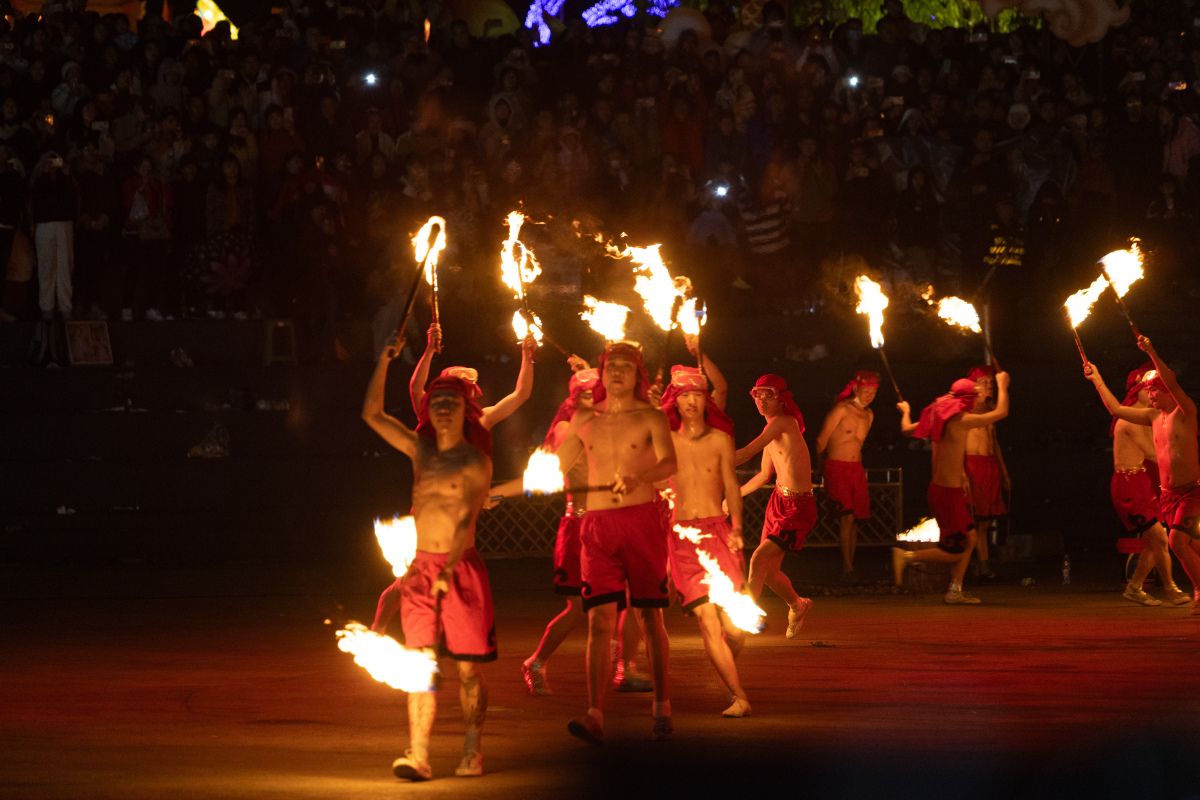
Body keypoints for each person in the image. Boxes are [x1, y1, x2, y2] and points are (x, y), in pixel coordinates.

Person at [361, 336, 496, 781]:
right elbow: (372, 415)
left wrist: (451, 568)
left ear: (464, 411)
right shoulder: (419, 451)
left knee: (468, 672)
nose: (441, 408)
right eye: (435, 402)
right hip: (423, 569)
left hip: (463, 571)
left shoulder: (476, 463)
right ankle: (418, 753)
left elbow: (464, 523)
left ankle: (472, 750)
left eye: (450, 403)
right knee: (420, 664)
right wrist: (385, 362)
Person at [556, 341, 677, 744]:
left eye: (626, 366)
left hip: (641, 522)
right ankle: (594, 714)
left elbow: (670, 461)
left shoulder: (650, 415)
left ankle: (661, 705)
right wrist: (505, 486)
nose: (617, 373)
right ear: (603, 372)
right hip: (597, 526)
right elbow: (556, 462)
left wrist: (640, 478)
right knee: (598, 621)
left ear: (637, 374)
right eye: (611, 366)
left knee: (649, 617)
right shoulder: (586, 418)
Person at [661, 363, 751, 717]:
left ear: (705, 401)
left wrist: (739, 528)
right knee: (708, 621)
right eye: (685, 396)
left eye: (698, 395)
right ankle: (739, 696)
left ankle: (724, 661)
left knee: (736, 627)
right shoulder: (664, 440)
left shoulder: (720, 440)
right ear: (676, 401)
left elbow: (731, 485)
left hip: (718, 532)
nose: (692, 402)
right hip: (682, 538)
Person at [1084, 351, 1198, 610]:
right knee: (1165, 539)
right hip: (1143, 487)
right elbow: (1117, 411)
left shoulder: (1175, 412)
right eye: (1147, 390)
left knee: (1166, 540)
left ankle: (1148, 587)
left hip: (1168, 487)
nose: (1151, 394)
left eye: (1155, 389)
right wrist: (1097, 378)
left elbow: (1172, 383)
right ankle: (1166, 587)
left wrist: (1150, 351)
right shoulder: (1145, 418)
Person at [894, 373, 1011, 604]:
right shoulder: (960, 420)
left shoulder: (938, 416)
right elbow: (1001, 413)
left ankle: (955, 589)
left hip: (947, 491)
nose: (979, 398)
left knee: (971, 539)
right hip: (947, 494)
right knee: (955, 549)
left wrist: (906, 411)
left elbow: (907, 429)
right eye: (976, 395)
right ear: (966, 400)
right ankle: (906, 556)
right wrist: (1002, 385)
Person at [736, 374, 815, 639]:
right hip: (778, 503)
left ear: (782, 399)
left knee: (758, 558)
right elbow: (763, 476)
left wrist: (711, 458)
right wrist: (733, 497)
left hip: (797, 508)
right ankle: (797, 604)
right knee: (768, 573)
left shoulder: (784, 422)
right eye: (757, 396)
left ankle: (743, 619)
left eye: (768, 396)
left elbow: (746, 453)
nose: (762, 402)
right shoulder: (771, 429)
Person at [409, 322, 535, 430]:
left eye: (468, 387)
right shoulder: (432, 414)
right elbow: (416, 388)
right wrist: (430, 349)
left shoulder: (480, 419)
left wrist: (527, 355)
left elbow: (522, 394)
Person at [815, 370, 879, 581]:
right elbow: (821, 440)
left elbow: (858, 444)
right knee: (847, 517)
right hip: (836, 467)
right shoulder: (842, 409)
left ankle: (850, 566)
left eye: (873, 391)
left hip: (856, 469)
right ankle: (848, 567)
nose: (869, 395)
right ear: (855, 388)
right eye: (866, 390)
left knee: (856, 520)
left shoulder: (869, 415)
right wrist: (818, 469)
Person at [963, 366, 1009, 580]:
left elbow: (996, 444)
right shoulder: (966, 411)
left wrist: (1004, 472)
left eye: (991, 381)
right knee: (977, 520)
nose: (989, 385)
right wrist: (963, 473)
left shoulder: (990, 409)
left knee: (988, 521)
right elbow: (959, 444)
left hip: (990, 466)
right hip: (973, 466)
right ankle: (981, 564)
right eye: (985, 381)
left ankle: (984, 563)